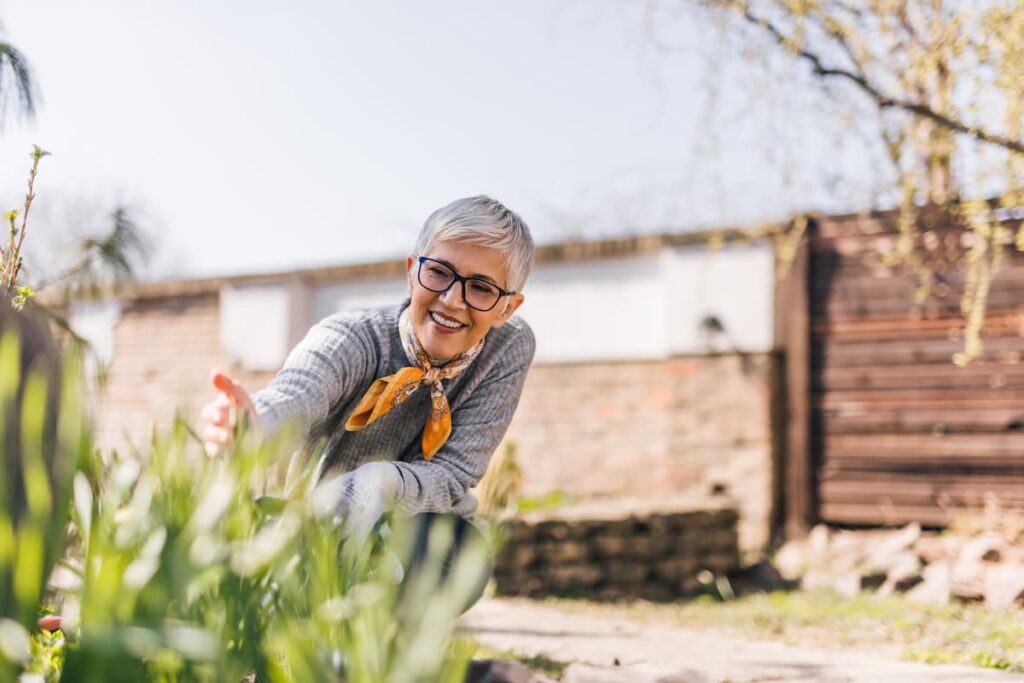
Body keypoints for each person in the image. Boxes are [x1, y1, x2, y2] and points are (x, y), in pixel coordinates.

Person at [200, 195, 536, 604]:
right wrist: (254, 424)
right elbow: (298, 394)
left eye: (481, 288)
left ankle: (392, 654)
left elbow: (454, 472)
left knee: (457, 551)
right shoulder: (354, 338)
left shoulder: (508, 347)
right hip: (320, 523)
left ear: (506, 307)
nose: (452, 299)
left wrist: (381, 482)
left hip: (413, 528)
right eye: (440, 273)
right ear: (413, 273)